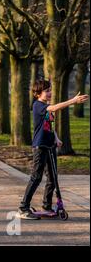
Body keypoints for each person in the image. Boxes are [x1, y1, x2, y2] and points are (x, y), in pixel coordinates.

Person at [18, 79, 89, 219]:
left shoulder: (46, 107)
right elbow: (54, 108)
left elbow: (49, 125)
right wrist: (72, 101)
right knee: (36, 177)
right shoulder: (38, 105)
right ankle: (23, 208)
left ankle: (47, 205)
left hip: (50, 146)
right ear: (38, 93)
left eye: (50, 90)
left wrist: (56, 138)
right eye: (46, 91)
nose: (50, 93)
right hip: (40, 146)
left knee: (52, 178)